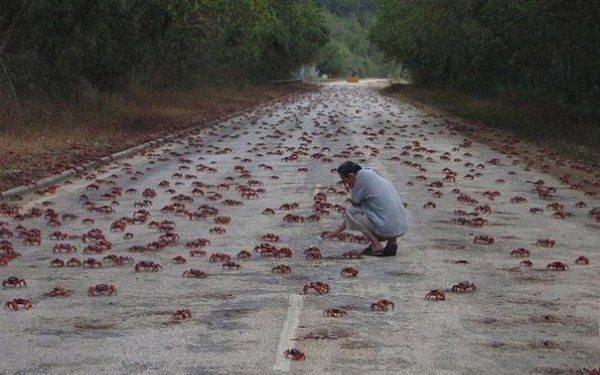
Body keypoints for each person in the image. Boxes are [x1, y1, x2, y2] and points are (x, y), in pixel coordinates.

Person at [323, 161, 408, 257]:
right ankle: (392, 242)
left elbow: (353, 207)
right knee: (380, 207)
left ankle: (376, 246)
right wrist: (336, 233)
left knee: (352, 210)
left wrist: (335, 232)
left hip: (386, 229)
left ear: (351, 176)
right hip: (400, 227)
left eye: (346, 181)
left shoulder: (362, 180)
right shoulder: (373, 175)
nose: (347, 185)